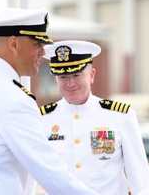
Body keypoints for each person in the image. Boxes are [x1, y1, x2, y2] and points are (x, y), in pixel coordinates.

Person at [0, 9, 100, 195]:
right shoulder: (13, 100)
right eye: (37, 44)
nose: (42, 52)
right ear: (14, 44)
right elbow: (52, 175)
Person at [37, 40, 149, 195]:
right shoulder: (41, 118)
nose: (70, 83)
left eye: (76, 75)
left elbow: (140, 179)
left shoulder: (120, 116)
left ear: (92, 75)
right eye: (63, 77)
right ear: (56, 79)